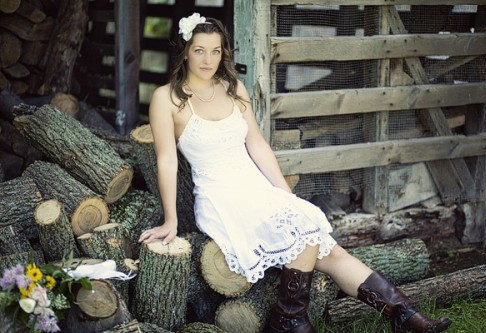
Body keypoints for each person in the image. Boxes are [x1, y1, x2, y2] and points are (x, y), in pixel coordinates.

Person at [138, 13, 452, 333]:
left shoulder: (232, 88)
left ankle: (405, 316)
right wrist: (171, 219)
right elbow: (167, 160)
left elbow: (257, 144)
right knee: (307, 233)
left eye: (216, 51)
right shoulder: (167, 99)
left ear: (224, 53)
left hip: (257, 190)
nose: (208, 59)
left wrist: (283, 196)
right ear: (186, 50)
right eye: (200, 50)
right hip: (221, 197)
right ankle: (289, 320)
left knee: (330, 249)